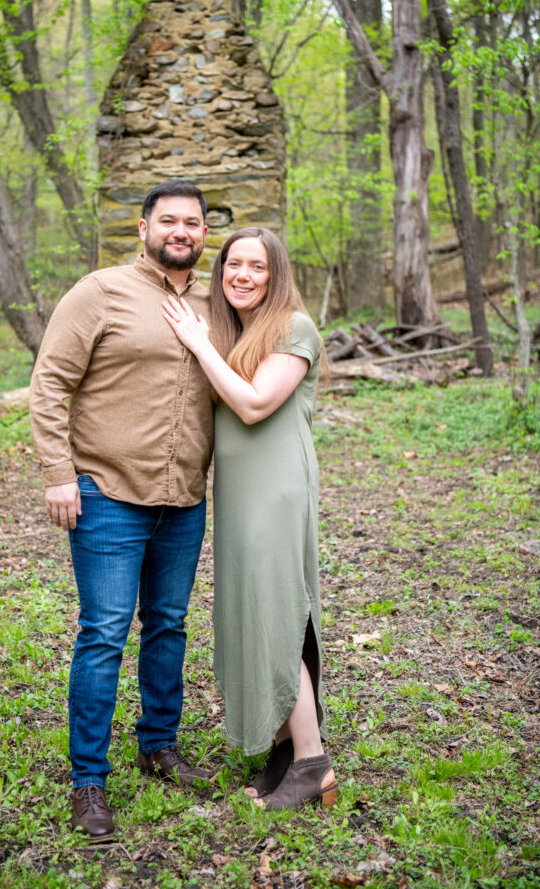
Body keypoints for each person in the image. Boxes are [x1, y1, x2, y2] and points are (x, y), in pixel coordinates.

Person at [29, 179, 214, 841]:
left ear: (202, 233)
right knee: (104, 632)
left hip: (184, 496)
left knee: (167, 623)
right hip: (106, 491)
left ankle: (158, 744)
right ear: (142, 228)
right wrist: (58, 474)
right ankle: (88, 781)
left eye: (192, 222)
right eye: (168, 220)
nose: (181, 232)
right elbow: (50, 382)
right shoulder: (98, 292)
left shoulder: (216, 303)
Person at [162, 227, 337, 811]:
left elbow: (256, 403)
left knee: (277, 613)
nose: (242, 274)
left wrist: (196, 340)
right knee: (250, 610)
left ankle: (312, 763)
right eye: (233, 264)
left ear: (275, 273)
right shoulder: (236, 330)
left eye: (256, 266)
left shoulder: (294, 327)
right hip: (237, 493)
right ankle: (285, 754)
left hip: (277, 489)